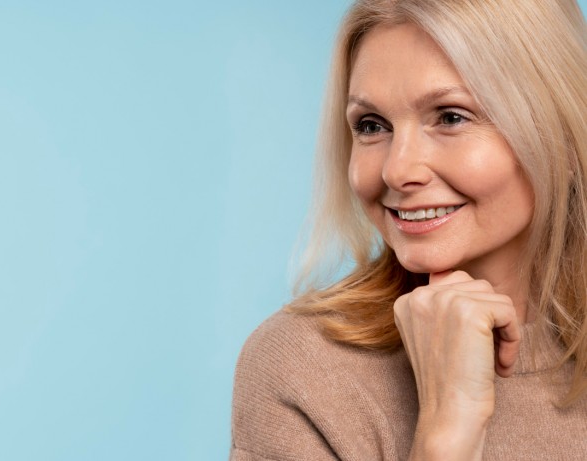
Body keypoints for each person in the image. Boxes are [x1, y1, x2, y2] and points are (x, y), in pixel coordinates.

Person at [229, 0, 587, 460]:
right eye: (372, 126)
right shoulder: (302, 371)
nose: (397, 171)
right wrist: (446, 430)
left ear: (558, 124)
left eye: (450, 117)